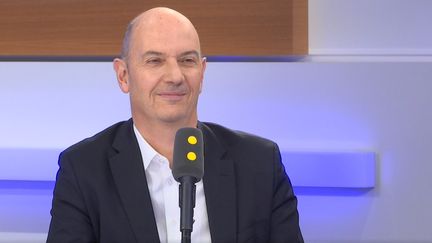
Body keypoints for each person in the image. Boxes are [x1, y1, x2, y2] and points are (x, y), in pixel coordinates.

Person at [47, 7, 303, 243]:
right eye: (155, 61)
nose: (175, 76)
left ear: (202, 73)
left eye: (187, 60)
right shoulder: (83, 170)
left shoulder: (260, 164)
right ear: (123, 76)